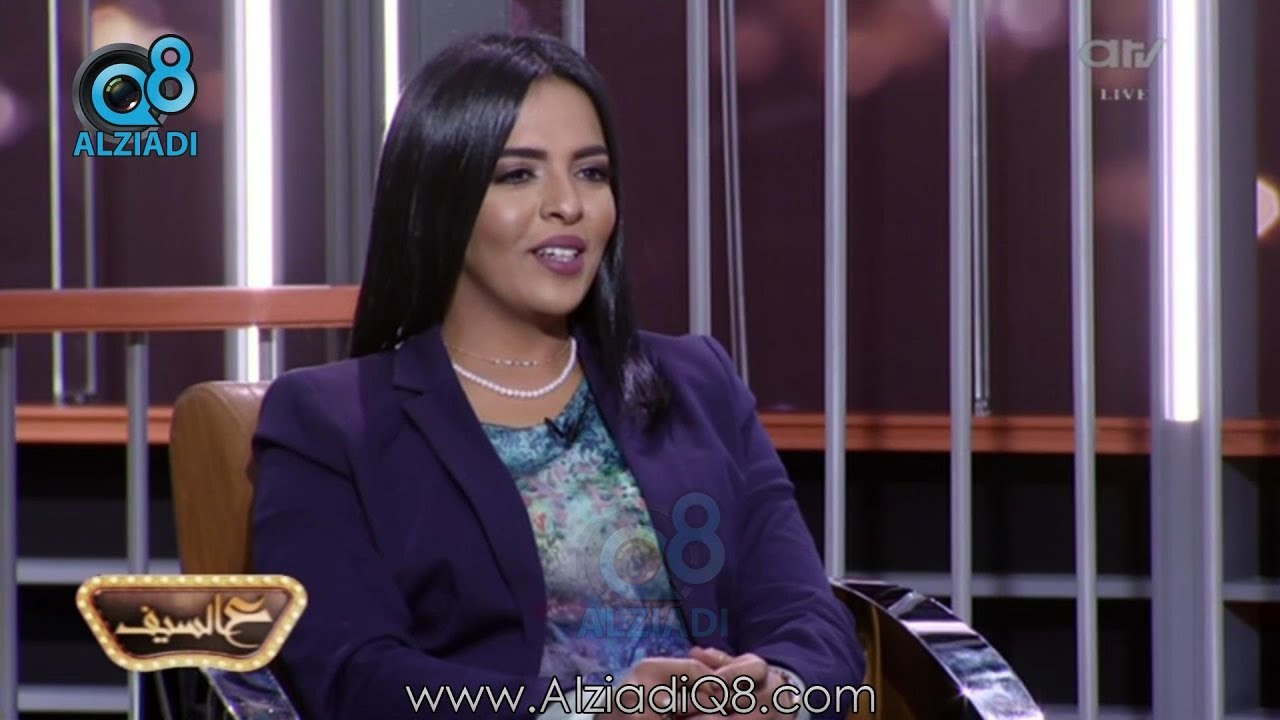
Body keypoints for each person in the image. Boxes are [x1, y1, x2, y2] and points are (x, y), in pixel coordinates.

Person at [249, 32, 865, 720]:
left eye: (592, 173)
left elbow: (810, 619)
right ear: (438, 198)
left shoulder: (698, 383)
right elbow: (352, 676)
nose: (568, 204)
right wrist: (592, 710)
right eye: (519, 174)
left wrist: (778, 688)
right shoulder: (330, 422)